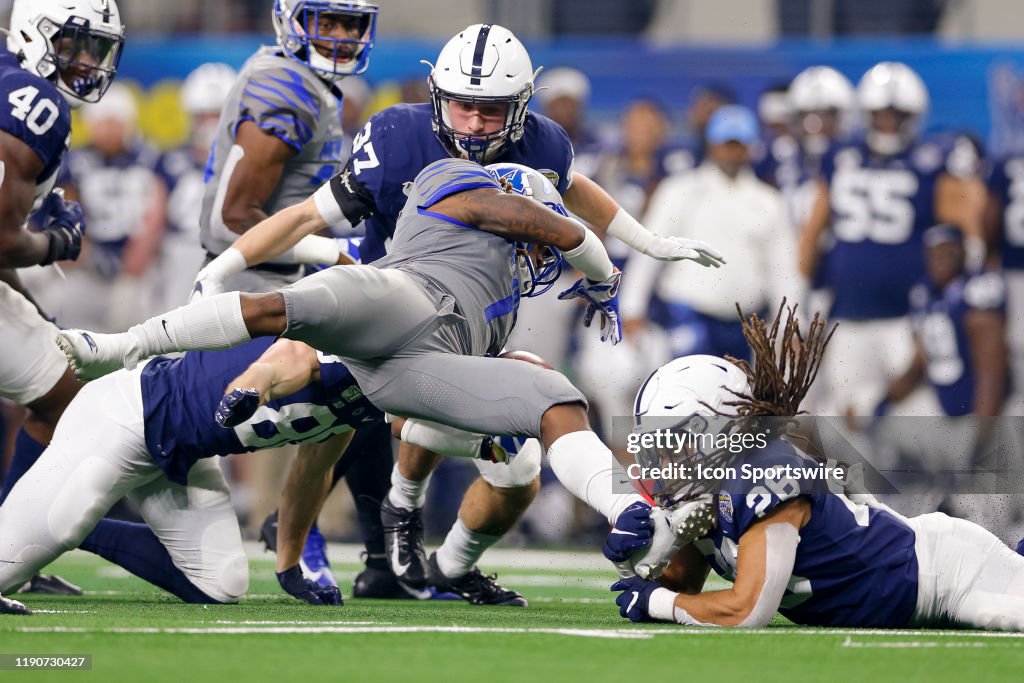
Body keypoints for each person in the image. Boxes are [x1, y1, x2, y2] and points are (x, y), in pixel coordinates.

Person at [195, 22, 723, 603]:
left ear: (520, 109)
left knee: (516, 472)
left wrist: (645, 241)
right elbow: (304, 217)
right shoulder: (398, 136)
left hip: (478, 311)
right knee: (332, 432)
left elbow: (572, 191)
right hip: (381, 305)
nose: (472, 124)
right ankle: (312, 539)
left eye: (491, 112)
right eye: (462, 106)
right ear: (437, 96)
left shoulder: (542, 145)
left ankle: (438, 558)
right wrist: (223, 268)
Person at [57, 160, 713, 588]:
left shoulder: (506, 297)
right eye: (534, 240)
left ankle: (620, 509)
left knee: (549, 395)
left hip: (401, 377)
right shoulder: (449, 188)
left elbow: (439, 401)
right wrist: (602, 264)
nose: (536, 253)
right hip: (391, 307)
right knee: (289, 318)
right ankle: (119, 344)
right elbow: (307, 256)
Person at [0, 333, 521, 607]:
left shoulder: (362, 403)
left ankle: (78, 532)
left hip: (183, 456)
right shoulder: (344, 355)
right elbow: (290, 357)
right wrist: (259, 380)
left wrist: (289, 567)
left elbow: (311, 472)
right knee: (45, 534)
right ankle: (54, 529)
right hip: (124, 416)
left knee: (220, 585)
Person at [609, 306, 1024, 631]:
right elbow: (680, 588)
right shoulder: (709, 488)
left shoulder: (762, 475)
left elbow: (746, 611)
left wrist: (655, 602)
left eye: (674, 442)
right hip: (914, 579)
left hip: (947, 574)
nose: (664, 460)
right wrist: (642, 555)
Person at [192, 0, 385, 595]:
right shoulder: (288, 88)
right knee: (355, 394)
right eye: (328, 21)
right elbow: (236, 217)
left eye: (352, 24)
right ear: (291, 19)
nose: (343, 36)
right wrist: (333, 255)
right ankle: (355, 546)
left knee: (362, 400)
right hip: (257, 289)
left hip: (280, 284)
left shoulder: (307, 83)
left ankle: (355, 548)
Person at [0, 0, 125, 614]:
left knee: (63, 391)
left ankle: (7, 550)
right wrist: (59, 242)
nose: (84, 62)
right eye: (73, 43)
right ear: (33, 30)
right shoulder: (33, 103)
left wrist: (29, 309)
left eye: (94, 48)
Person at [798, 61, 986, 416]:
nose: (888, 122)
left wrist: (953, 297)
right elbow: (811, 233)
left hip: (907, 317)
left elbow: (967, 232)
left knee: (916, 412)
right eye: (881, 114)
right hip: (848, 316)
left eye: (897, 115)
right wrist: (805, 294)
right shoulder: (840, 157)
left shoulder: (931, 160)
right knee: (847, 416)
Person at [621, 105, 800, 362]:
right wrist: (632, 307)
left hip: (747, 323)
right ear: (711, 144)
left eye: (739, 144)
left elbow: (783, 269)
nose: (731, 151)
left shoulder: (769, 201)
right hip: (689, 313)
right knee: (690, 391)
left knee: (739, 396)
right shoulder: (680, 189)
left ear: (751, 148)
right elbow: (649, 249)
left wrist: (790, 326)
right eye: (726, 143)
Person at [56, 82, 167, 332]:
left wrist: (143, 249)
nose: (108, 130)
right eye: (102, 122)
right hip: (88, 265)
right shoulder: (76, 161)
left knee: (137, 341)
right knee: (74, 336)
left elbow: (158, 206)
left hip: (135, 267)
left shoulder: (149, 158)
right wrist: (77, 244)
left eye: (115, 122)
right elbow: (67, 202)